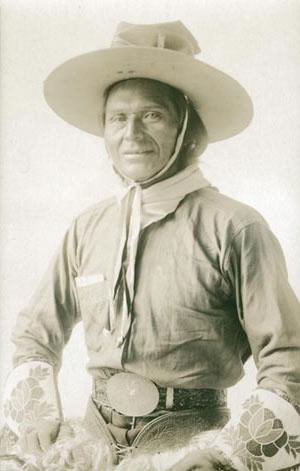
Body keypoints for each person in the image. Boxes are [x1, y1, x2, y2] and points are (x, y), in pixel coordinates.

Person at [1, 20, 300, 471]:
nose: (132, 135)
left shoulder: (236, 227)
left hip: (193, 446)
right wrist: (36, 415)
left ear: (185, 128)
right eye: (118, 118)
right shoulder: (88, 226)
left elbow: (288, 359)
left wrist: (224, 456)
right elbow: (35, 335)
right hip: (92, 446)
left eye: (152, 115)